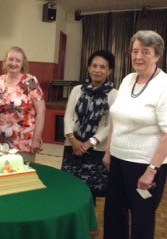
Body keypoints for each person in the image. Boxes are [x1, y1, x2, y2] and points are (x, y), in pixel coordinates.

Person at [103, 30, 167, 239]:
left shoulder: (164, 85)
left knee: (141, 217)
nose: (138, 57)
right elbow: (116, 117)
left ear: (157, 55)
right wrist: (108, 151)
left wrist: (151, 171)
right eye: (135, 51)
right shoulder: (128, 79)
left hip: (145, 165)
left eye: (146, 52)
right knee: (113, 213)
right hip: (118, 161)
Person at [61, 50, 117, 203]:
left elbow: (110, 124)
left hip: (96, 150)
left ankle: (86, 225)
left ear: (109, 71)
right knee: (68, 188)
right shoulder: (77, 90)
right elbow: (69, 116)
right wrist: (73, 140)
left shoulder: (113, 94)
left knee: (89, 193)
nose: (97, 70)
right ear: (88, 68)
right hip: (72, 146)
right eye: (94, 66)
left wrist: (89, 143)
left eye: (102, 67)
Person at [0, 46, 45, 163]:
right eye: (11, 59)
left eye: (18, 60)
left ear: (22, 64)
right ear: (5, 61)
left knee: (20, 179)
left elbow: (41, 111)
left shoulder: (30, 81)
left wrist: (36, 139)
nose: (13, 63)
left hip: (23, 143)